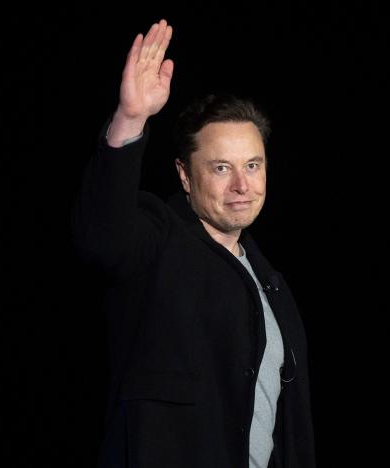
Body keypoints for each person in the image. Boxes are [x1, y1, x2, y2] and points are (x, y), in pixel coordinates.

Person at [72, 19, 316, 468]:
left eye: (253, 165)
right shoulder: (158, 239)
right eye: (221, 168)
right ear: (185, 174)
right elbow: (103, 239)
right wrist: (131, 119)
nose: (242, 184)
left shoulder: (270, 282)